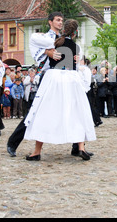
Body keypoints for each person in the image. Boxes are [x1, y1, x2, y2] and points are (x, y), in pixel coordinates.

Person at [24, 19, 96, 161]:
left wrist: (46, 51)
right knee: (78, 112)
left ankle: (37, 151)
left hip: (54, 78)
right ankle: (81, 148)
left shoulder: (54, 42)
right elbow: (75, 64)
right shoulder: (76, 47)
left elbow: (36, 42)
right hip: (71, 79)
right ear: (75, 33)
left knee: (45, 112)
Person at [6, 12, 64, 157]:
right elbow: (36, 46)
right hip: (47, 77)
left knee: (69, 108)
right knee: (35, 111)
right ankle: (13, 143)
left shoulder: (63, 39)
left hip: (63, 77)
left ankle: (78, 147)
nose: (60, 22)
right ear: (50, 22)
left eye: (62, 20)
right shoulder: (42, 37)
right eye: (57, 20)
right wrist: (47, 51)